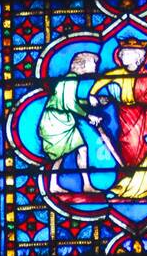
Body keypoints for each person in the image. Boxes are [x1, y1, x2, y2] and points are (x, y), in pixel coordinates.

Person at [90, 43, 147, 202]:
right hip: (125, 116)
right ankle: (123, 188)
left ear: (137, 57)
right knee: (127, 148)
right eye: (120, 54)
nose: (120, 56)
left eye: (125, 54)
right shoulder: (118, 73)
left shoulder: (143, 74)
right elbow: (102, 81)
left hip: (144, 117)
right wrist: (92, 94)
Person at [38, 51, 103, 195]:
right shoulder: (71, 79)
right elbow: (69, 104)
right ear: (84, 64)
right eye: (94, 62)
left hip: (62, 120)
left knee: (81, 149)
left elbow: (66, 100)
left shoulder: (70, 79)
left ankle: (86, 185)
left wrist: (88, 101)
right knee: (59, 155)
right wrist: (88, 115)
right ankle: (53, 185)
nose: (96, 66)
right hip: (56, 122)